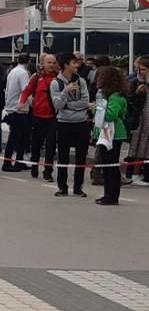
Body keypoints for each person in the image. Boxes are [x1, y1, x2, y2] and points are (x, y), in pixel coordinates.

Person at [50, 53, 91, 198]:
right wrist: (65, 93)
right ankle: (62, 187)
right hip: (64, 123)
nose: (77, 65)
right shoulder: (56, 83)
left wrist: (71, 106)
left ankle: (78, 187)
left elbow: (85, 101)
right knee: (63, 156)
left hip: (81, 122)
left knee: (81, 156)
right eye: (74, 63)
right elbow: (58, 105)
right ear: (66, 65)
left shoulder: (82, 81)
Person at [19, 54, 59, 182]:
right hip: (37, 116)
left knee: (51, 146)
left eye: (53, 62)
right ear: (43, 64)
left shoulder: (59, 78)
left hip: (53, 117)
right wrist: (21, 102)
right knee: (36, 144)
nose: (51, 65)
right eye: (49, 62)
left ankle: (48, 171)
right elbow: (26, 91)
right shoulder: (36, 78)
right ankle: (34, 166)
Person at [92, 65, 128, 206]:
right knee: (106, 165)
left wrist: (97, 109)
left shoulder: (115, 97)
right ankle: (107, 193)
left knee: (111, 165)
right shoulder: (106, 96)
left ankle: (112, 195)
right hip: (106, 134)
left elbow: (110, 115)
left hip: (114, 134)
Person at [2, 53, 34, 172]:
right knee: (16, 137)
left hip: (12, 107)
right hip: (19, 109)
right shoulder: (23, 73)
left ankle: (17, 161)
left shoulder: (13, 71)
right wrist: (32, 104)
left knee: (20, 136)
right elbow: (26, 90)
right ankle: (9, 162)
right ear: (29, 61)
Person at [126, 57, 149, 186]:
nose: (141, 72)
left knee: (145, 146)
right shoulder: (135, 82)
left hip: (147, 116)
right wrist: (136, 93)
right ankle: (134, 174)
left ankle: (143, 174)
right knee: (137, 145)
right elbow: (129, 98)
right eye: (140, 70)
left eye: (144, 69)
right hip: (140, 117)